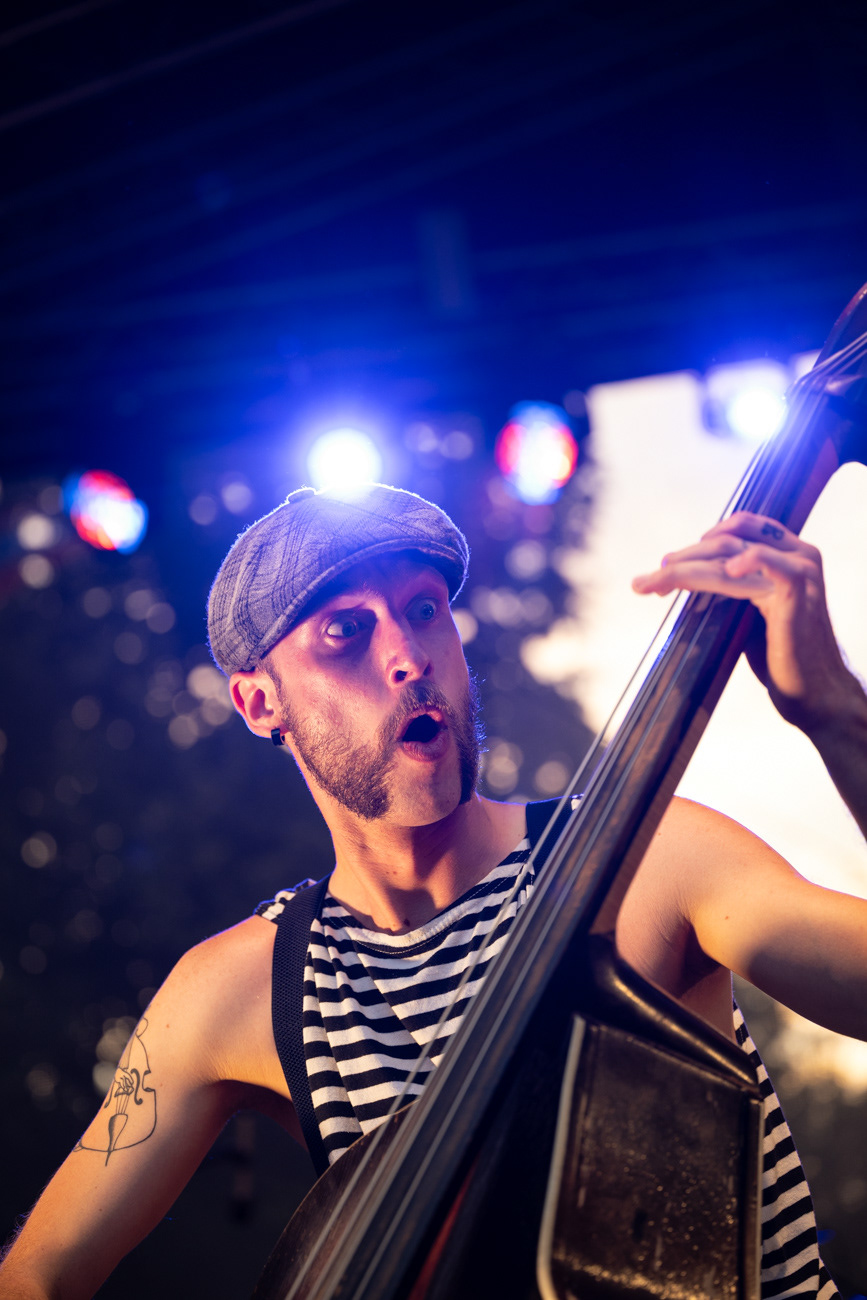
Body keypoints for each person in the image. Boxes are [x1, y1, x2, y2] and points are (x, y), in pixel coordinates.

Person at [2, 483, 866, 1300]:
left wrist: (834, 711)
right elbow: (36, 1276)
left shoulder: (641, 856)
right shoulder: (244, 989)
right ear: (261, 703)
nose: (408, 656)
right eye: (345, 632)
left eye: (423, 611)